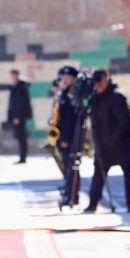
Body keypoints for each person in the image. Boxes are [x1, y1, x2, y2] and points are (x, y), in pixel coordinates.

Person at [85, 70, 130, 213]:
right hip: (103, 145)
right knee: (98, 174)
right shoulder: (94, 99)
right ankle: (92, 204)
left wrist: (113, 138)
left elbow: (124, 123)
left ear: (107, 80)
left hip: (121, 144)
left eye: (101, 82)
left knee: (128, 175)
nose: (99, 86)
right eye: (96, 83)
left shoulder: (117, 97)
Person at [56, 66, 83, 206]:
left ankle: (72, 194)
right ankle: (68, 190)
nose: (64, 80)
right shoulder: (65, 93)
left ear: (73, 78)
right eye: (63, 77)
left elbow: (71, 120)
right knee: (66, 166)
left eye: (68, 77)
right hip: (61, 136)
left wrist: (66, 138)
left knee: (72, 166)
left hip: (70, 137)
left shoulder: (73, 95)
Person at [7, 69, 33, 163]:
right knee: (19, 136)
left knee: (22, 137)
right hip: (15, 116)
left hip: (20, 117)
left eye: (14, 76)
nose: (13, 78)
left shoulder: (22, 87)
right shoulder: (15, 87)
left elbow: (22, 104)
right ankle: (22, 157)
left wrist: (17, 117)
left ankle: (23, 157)